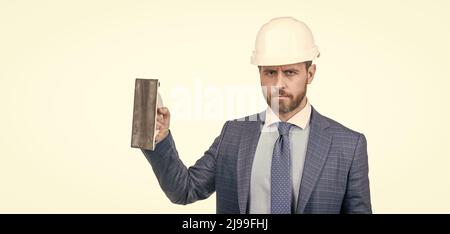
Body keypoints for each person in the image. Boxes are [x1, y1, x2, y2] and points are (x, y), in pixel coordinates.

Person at [141, 17, 371, 214]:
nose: (279, 84)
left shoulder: (348, 145)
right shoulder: (234, 134)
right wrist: (159, 138)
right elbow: (185, 190)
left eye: (290, 72)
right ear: (259, 73)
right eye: (270, 73)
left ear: (310, 74)